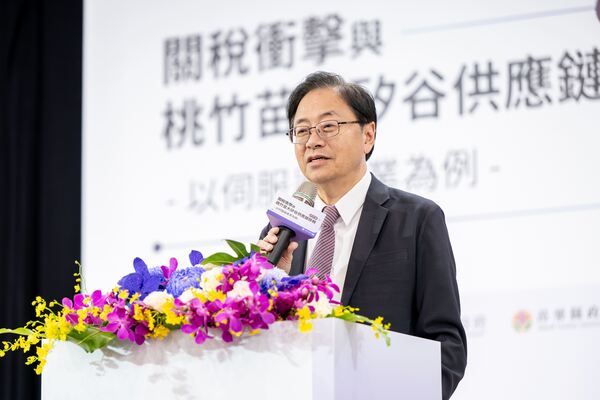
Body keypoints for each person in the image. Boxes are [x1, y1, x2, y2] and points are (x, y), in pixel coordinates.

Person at [258, 71, 467, 400]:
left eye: (328, 126)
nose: (313, 141)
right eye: (302, 130)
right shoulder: (283, 232)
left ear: (368, 135)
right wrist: (269, 282)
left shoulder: (416, 219)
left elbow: (446, 347)